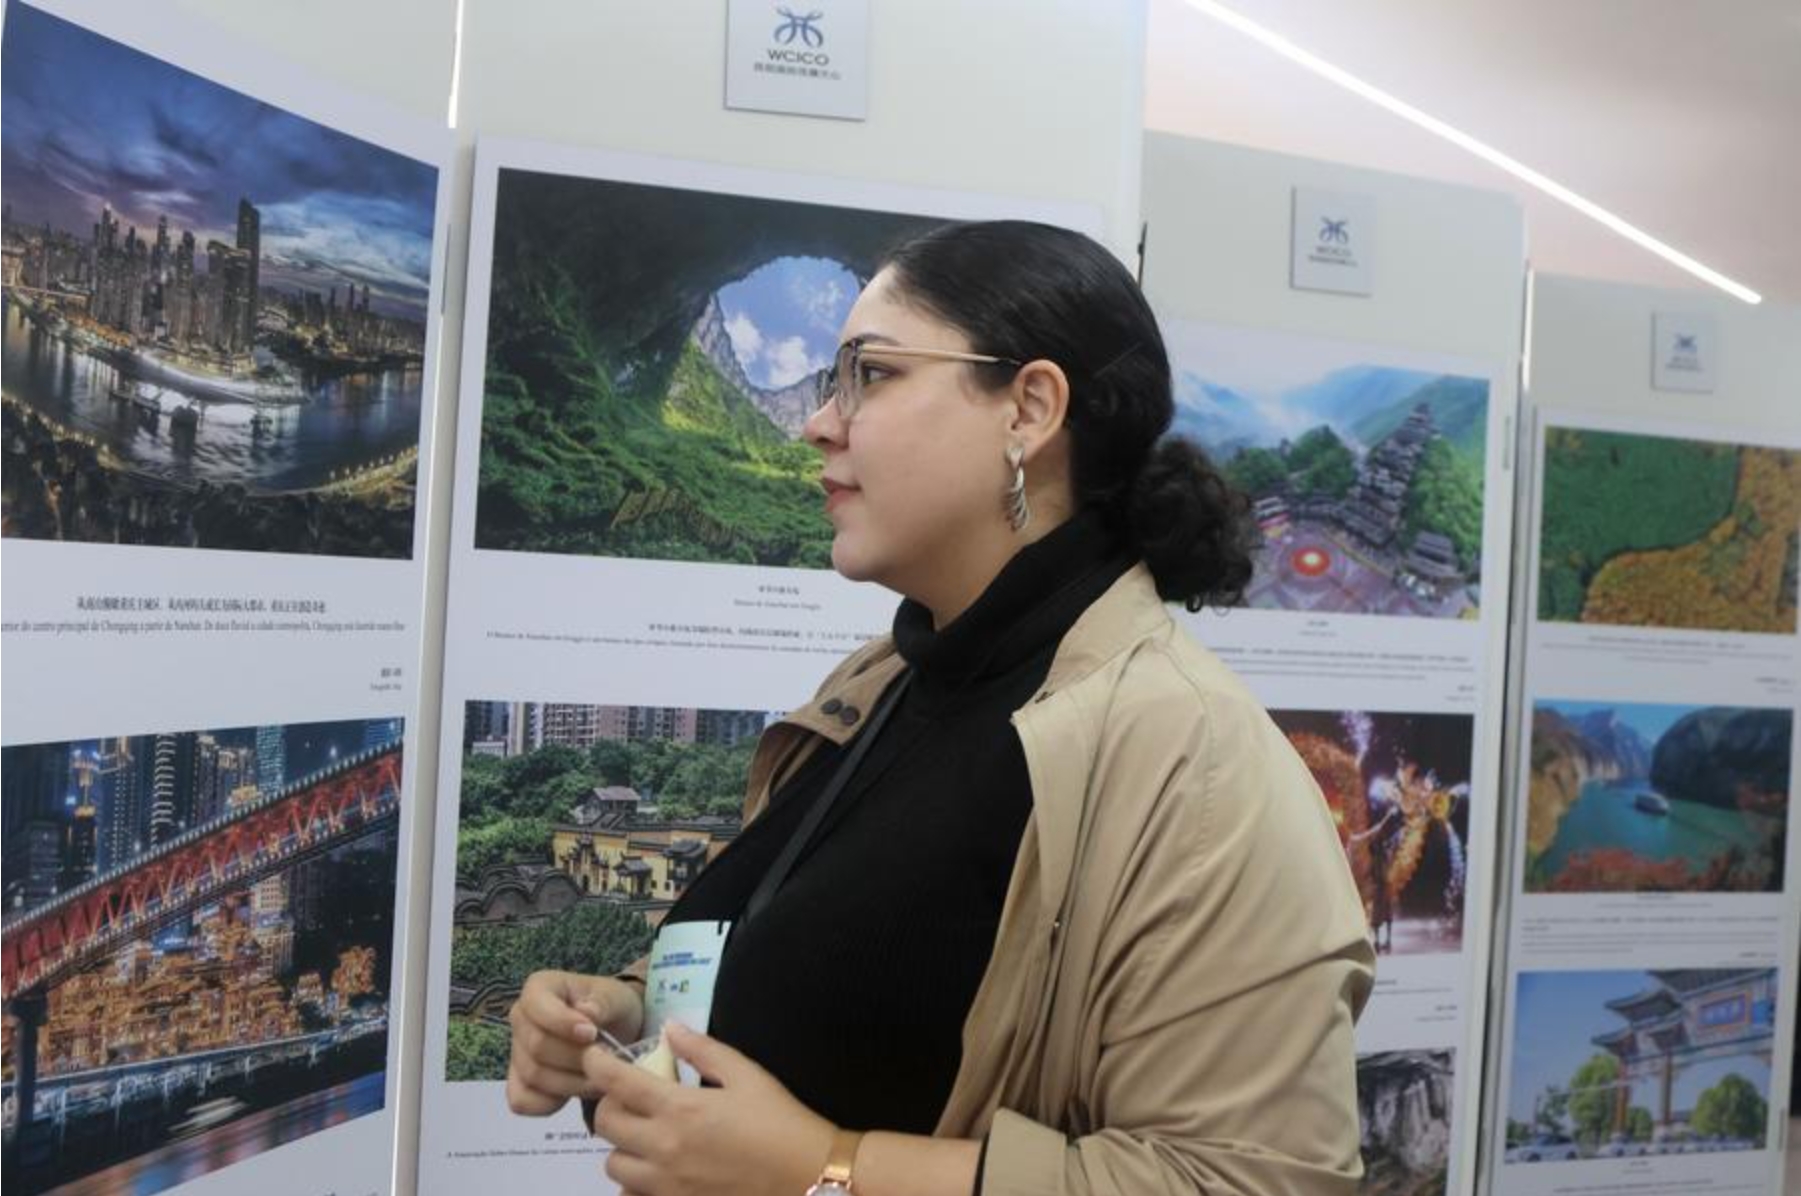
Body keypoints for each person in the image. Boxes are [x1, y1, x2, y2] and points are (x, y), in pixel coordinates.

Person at [506, 220, 1374, 1195]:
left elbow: (1253, 1180)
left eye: (870, 374)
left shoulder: (1195, 762)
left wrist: (825, 1169)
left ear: (1029, 408)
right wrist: (624, 1010)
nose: (818, 422)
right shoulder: (879, 684)